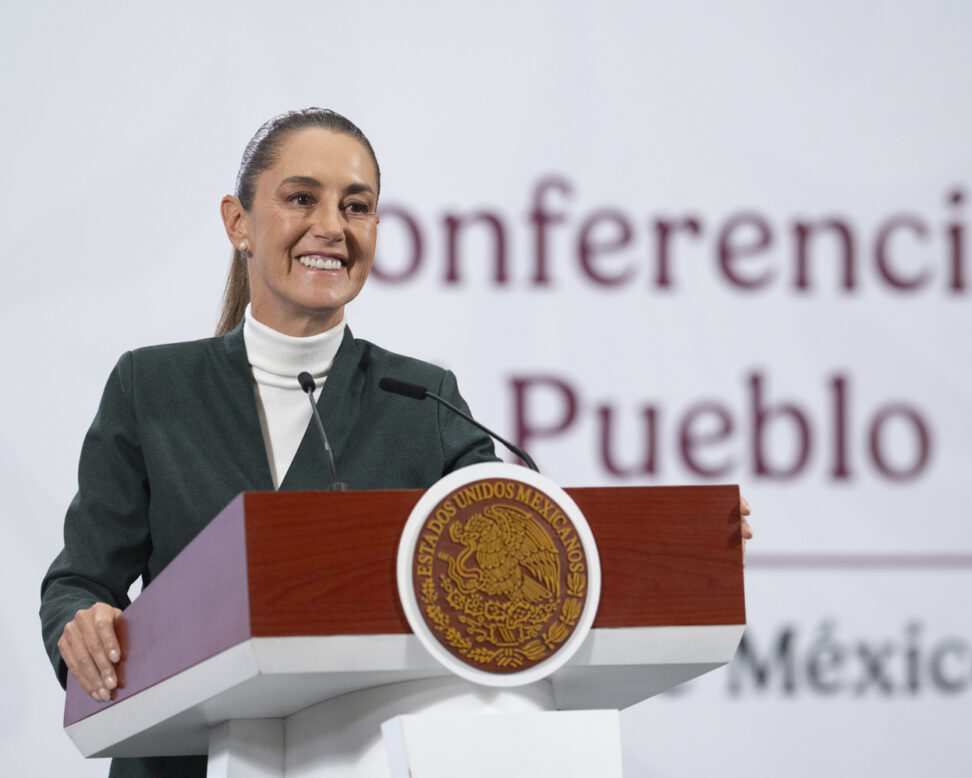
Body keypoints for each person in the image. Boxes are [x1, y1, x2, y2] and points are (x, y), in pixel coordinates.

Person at [39, 108, 752, 778]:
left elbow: (519, 536)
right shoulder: (152, 386)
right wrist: (82, 622)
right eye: (300, 199)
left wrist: (675, 548)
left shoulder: (423, 400)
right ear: (239, 223)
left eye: (356, 206)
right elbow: (80, 581)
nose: (331, 227)